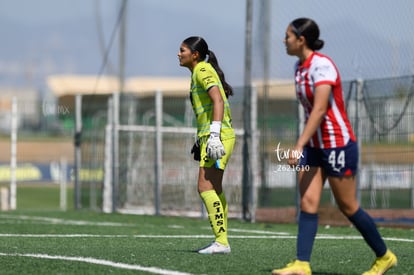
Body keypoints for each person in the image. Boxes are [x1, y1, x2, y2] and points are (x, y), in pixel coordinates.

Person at [272, 18, 397, 275]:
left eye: (287, 36)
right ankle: (302, 264)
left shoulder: (322, 66)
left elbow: (319, 109)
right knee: (307, 201)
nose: (284, 40)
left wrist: (298, 145)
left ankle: (384, 256)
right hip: (314, 148)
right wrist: (305, 146)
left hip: (337, 145)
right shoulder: (299, 67)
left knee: (348, 206)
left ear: (301, 39)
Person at [178, 36, 236, 254]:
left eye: (182, 50)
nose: (178, 53)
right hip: (214, 136)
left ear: (194, 55)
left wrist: (213, 135)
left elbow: (218, 100)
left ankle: (221, 242)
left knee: (204, 187)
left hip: (218, 136)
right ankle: (222, 241)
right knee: (215, 188)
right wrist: (201, 138)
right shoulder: (199, 72)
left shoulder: (202, 70)